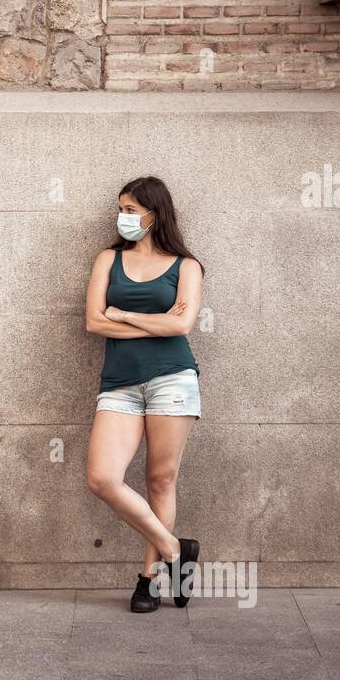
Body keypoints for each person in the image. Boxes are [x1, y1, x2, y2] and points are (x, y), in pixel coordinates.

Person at [84, 176, 204, 612]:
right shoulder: (108, 259)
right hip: (119, 384)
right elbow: (94, 323)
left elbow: (180, 327)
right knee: (101, 478)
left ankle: (149, 579)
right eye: (122, 209)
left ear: (155, 213)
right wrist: (148, 320)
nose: (124, 218)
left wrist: (122, 312)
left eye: (132, 210)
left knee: (160, 480)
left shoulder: (185, 266)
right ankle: (176, 550)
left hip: (172, 379)